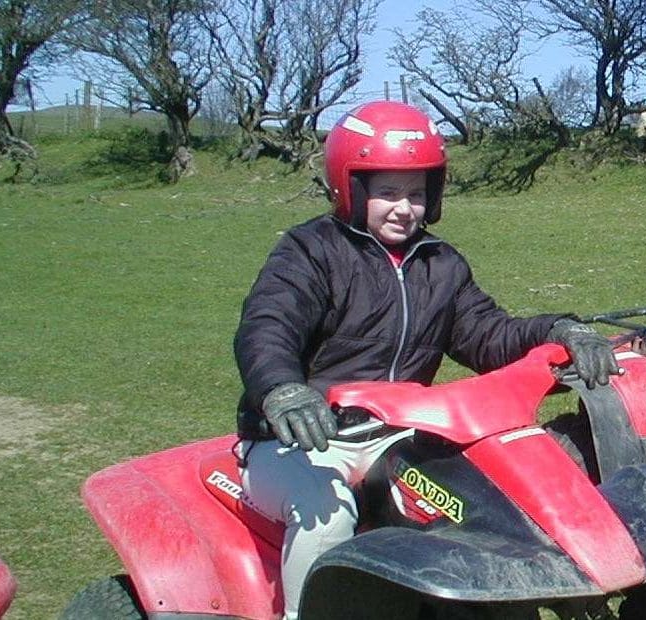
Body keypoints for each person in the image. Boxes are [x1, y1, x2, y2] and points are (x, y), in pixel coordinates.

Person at [232, 101, 619, 619]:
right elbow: (267, 327)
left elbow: (489, 334)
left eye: (416, 194)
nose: (403, 208)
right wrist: (282, 389)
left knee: (484, 500)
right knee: (326, 514)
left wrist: (560, 330)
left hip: (397, 431)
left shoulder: (440, 264)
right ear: (353, 189)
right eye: (388, 192)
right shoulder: (309, 252)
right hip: (304, 438)